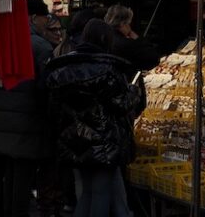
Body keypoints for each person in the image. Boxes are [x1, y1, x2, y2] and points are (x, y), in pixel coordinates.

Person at [46, 19, 143, 217]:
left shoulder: (63, 68)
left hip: (75, 140)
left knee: (88, 193)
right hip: (103, 142)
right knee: (100, 194)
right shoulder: (107, 69)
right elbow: (122, 104)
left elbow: (54, 107)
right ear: (104, 40)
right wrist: (134, 91)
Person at [104, 4, 160, 73]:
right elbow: (154, 58)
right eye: (128, 23)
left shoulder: (103, 38)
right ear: (122, 24)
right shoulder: (125, 44)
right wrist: (136, 38)